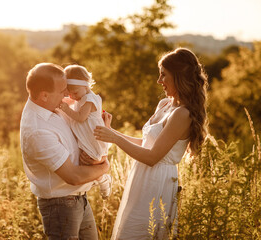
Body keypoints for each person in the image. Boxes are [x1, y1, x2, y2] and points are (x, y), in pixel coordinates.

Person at [93, 48, 208, 239]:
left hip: (158, 181)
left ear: (178, 77)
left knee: (143, 232)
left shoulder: (183, 114)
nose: (159, 80)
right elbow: (146, 143)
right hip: (141, 176)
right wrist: (111, 132)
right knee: (129, 229)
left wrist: (115, 139)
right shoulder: (165, 104)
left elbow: (153, 157)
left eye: (164, 75)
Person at [20, 62, 110, 240]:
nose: (67, 95)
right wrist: (104, 166)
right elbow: (73, 176)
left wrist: (102, 127)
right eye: (63, 91)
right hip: (60, 206)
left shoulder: (51, 106)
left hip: (78, 199)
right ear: (44, 95)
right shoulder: (37, 130)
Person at [59, 64, 112, 199]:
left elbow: (81, 118)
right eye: (70, 93)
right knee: (84, 161)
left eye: (75, 93)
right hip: (86, 136)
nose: (73, 97)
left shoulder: (89, 100)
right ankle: (99, 179)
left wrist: (66, 109)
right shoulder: (81, 96)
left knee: (91, 160)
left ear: (85, 85)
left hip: (92, 137)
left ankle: (103, 179)